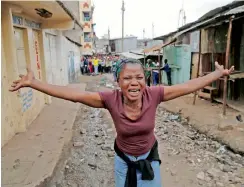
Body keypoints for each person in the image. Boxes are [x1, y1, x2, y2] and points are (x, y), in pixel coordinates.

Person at [9, 59, 234, 187]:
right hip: (123, 160)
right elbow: (72, 95)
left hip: (148, 160)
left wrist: (216, 74)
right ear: (118, 82)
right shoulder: (109, 99)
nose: (134, 83)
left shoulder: (154, 95)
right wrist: (35, 84)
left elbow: (188, 86)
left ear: (145, 81)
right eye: (127, 78)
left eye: (139, 78)